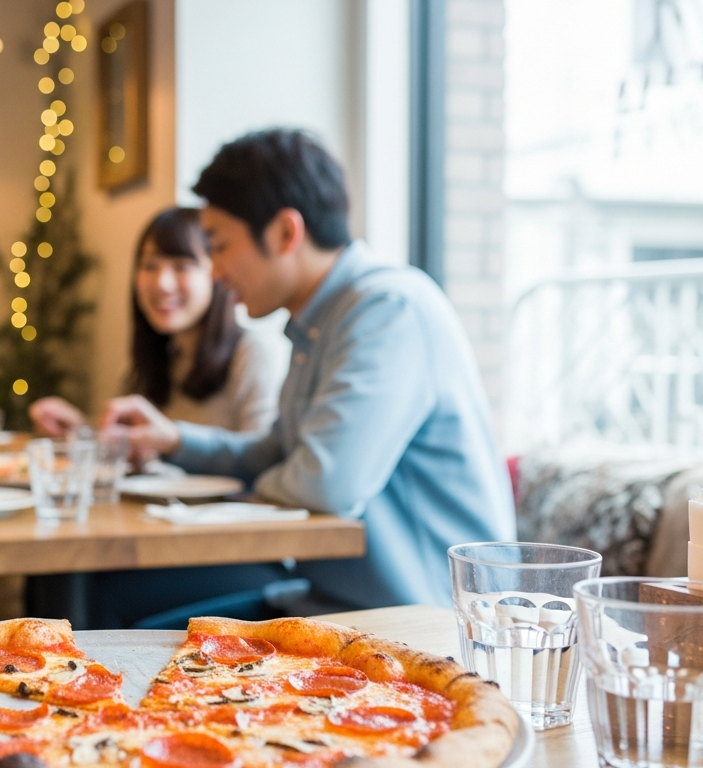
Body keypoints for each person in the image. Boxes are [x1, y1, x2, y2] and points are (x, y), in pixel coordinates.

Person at [105, 129, 516, 611]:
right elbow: (274, 453)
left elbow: (324, 484)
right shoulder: (319, 323)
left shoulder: (388, 310)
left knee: (126, 633)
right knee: (119, 624)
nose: (215, 272)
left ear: (285, 233)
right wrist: (173, 441)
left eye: (218, 245)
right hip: (330, 602)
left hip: (423, 622)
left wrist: (249, 488)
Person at [29, 206, 288, 438]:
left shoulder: (255, 354)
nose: (162, 284)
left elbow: (262, 467)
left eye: (182, 266)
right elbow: (137, 450)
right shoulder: (159, 356)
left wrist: (173, 443)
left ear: (217, 272)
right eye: (150, 265)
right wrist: (79, 431)